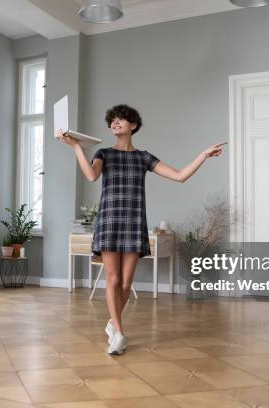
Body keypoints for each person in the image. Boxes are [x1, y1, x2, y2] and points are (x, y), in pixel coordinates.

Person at [58, 104, 224, 355]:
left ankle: (113, 324)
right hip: (110, 222)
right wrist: (77, 148)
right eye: (112, 120)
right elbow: (91, 176)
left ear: (133, 125)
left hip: (134, 223)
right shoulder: (104, 153)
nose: (115, 123)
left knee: (125, 283)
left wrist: (203, 155)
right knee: (112, 279)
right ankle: (119, 334)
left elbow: (180, 176)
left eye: (120, 119)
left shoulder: (143, 157)